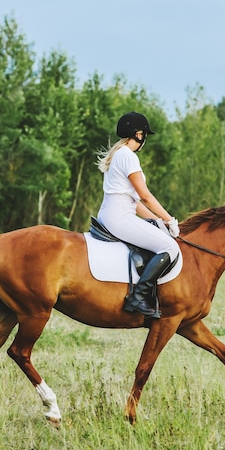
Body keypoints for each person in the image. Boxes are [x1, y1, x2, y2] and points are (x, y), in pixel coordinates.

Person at [96, 111, 180, 318]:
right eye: (144, 135)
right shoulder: (128, 156)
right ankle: (138, 297)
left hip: (112, 213)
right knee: (170, 246)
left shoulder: (118, 154)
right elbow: (145, 196)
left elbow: (134, 202)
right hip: (120, 217)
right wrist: (170, 219)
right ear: (139, 135)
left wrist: (157, 220)